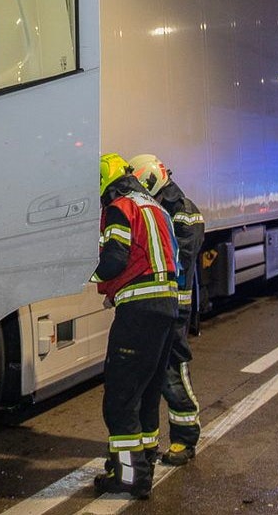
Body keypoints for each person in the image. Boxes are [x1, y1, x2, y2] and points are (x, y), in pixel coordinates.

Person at [91, 153, 179, 498]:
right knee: (146, 396)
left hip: (139, 311)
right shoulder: (155, 207)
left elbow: (115, 258)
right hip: (166, 308)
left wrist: (84, 277)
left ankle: (128, 478)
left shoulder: (119, 208)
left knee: (120, 398)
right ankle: (143, 471)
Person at [126, 153, 205, 466]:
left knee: (173, 372)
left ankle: (185, 437)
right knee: (148, 375)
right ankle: (147, 444)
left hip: (174, 308)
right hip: (157, 306)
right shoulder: (159, 210)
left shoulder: (185, 214)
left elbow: (178, 260)